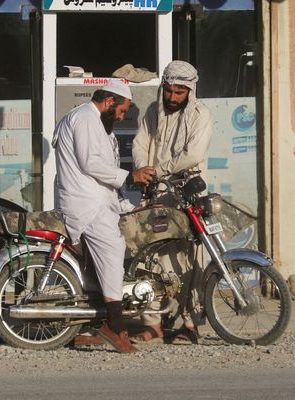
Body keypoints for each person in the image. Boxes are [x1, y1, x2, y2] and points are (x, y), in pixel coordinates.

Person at [52, 79, 154, 353]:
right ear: (109, 101)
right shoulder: (86, 118)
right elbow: (91, 163)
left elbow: (103, 167)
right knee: (112, 253)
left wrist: (127, 200)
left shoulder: (96, 123)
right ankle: (115, 327)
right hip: (88, 205)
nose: (121, 117)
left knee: (101, 265)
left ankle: (92, 327)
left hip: (98, 202)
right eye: (121, 111)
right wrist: (130, 176)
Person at [130, 60, 213, 345]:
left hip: (187, 194)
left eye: (180, 92)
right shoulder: (153, 112)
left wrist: (159, 169)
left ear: (190, 91)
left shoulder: (201, 115)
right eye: (169, 90)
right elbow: (140, 144)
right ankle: (153, 323)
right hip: (156, 193)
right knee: (151, 258)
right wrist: (143, 169)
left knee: (188, 259)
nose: (173, 97)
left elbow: (193, 154)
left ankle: (190, 324)